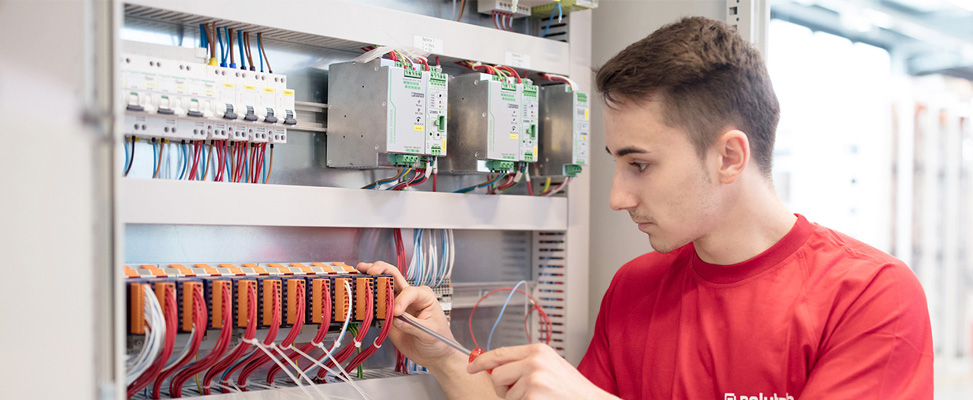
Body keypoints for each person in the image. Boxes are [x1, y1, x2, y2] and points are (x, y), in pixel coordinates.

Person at [357, 16, 932, 400]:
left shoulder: (869, 296)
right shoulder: (637, 289)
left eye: (640, 164)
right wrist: (444, 353)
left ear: (730, 156)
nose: (617, 197)